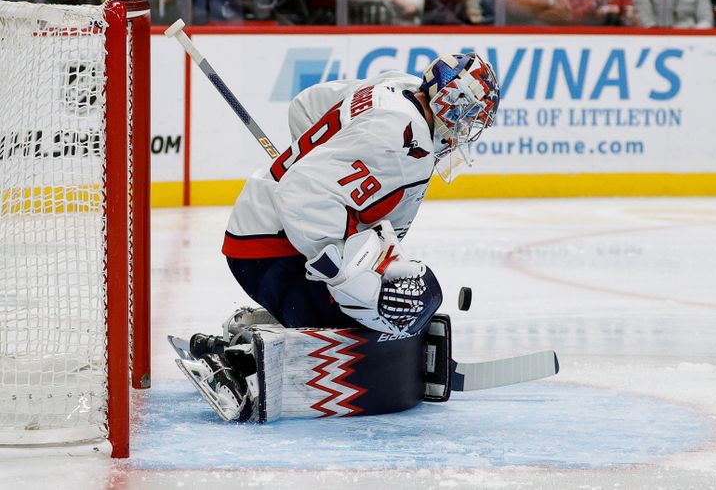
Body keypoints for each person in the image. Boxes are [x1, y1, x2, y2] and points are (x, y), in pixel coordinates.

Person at [183, 53, 500, 421]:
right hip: (268, 248)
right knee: (376, 315)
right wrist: (346, 278)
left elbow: (307, 104)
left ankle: (260, 324)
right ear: (451, 101)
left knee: (392, 293)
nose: (468, 129)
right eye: (470, 115)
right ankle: (237, 357)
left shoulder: (397, 86)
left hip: (269, 226)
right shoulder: (403, 142)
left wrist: (320, 158)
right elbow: (301, 194)